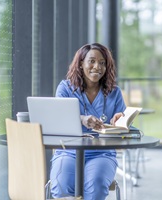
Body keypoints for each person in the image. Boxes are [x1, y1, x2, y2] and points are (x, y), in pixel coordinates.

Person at [50, 43, 126, 200]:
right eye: (91, 61)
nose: (97, 66)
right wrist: (82, 119)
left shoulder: (114, 93)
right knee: (61, 183)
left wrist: (120, 122)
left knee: (95, 185)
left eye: (102, 63)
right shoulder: (65, 89)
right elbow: (59, 119)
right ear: (81, 63)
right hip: (68, 151)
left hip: (102, 153)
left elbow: (126, 129)